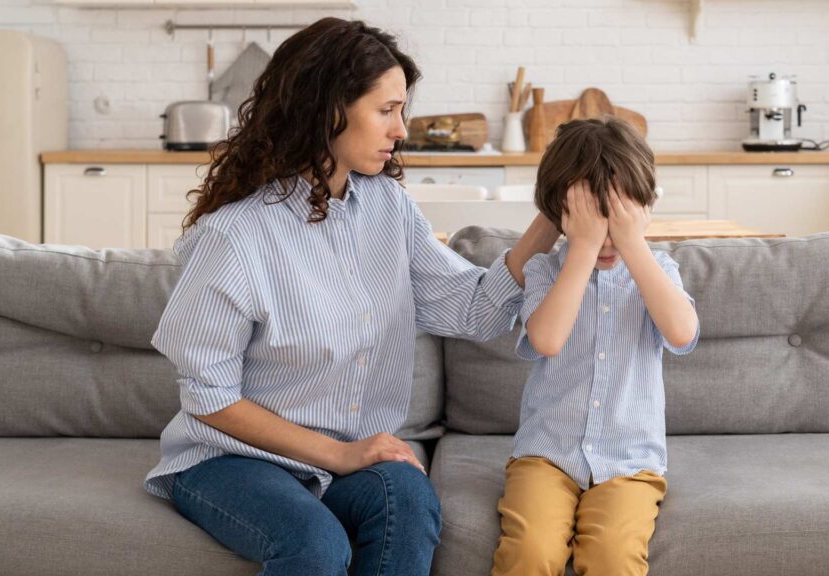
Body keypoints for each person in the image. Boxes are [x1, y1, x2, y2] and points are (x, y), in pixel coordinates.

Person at [142, 17, 558, 576]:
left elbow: (475, 309)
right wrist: (340, 454)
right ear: (329, 109)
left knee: (408, 500)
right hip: (232, 460)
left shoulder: (389, 208)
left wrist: (550, 217)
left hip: (348, 461)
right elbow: (210, 398)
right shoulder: (234, 238)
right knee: (316, 545)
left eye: (401, 110)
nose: (402, 129)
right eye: (386, 110)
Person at [491, 117, 700, 576]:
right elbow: (547, 339)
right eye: (591, 221)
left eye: (617, 219)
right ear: (560, 214)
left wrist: (633, 243)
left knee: (612, 557)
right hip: (546, 456)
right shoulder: (547, 271)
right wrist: (582, 251)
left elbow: (682, 332)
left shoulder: (658, 268)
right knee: (530, 552)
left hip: (629, 463)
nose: (606, 238)